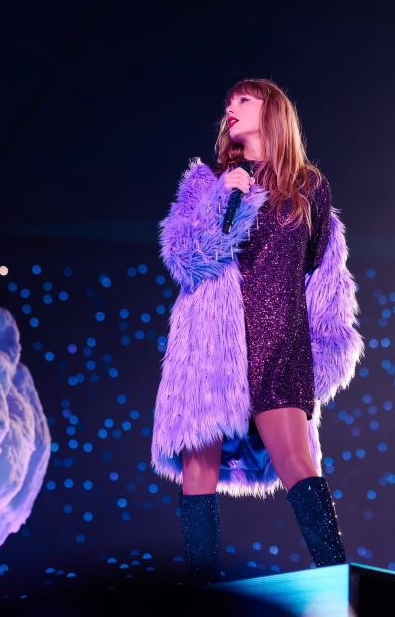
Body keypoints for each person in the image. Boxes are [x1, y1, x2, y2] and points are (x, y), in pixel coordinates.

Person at [151, 78, 364, 584]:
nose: (231, 107)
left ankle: (337, 582)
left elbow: (322, 270)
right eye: (228, 102)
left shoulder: (307, 186)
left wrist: (322, 343)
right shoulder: (207, 183)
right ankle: (203, 590)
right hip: (212, 345)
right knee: (199, 465)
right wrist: (222, 200)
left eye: (243, 100)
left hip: (280, 342)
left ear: (273, 111)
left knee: (297, 459)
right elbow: (182, 259)